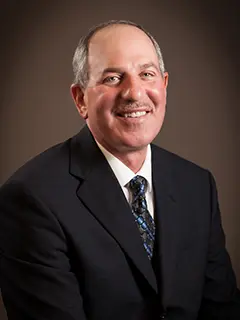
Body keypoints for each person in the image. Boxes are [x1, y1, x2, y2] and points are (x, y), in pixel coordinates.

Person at [0, 20, 239, 320]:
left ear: (164, 86)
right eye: (113, 78)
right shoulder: (31, 199)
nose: (134, 93)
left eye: (146, 74)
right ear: (80, 99)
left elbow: (222, 311)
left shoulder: (197, 185)